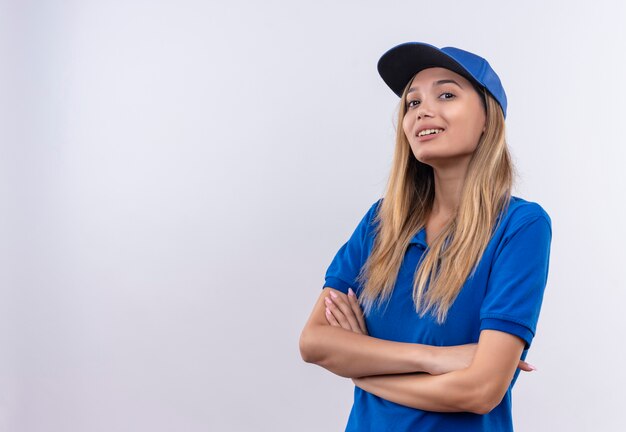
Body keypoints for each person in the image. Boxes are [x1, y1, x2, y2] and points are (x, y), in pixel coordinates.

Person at [299, 42, 552, 432]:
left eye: (446, 94)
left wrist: (366, 372)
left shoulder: (520, 225)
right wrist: (435, 359)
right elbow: (314, 343)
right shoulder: (381, 222)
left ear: (489, 118)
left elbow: (481, 390)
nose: (423, 111)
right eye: (412, 103)